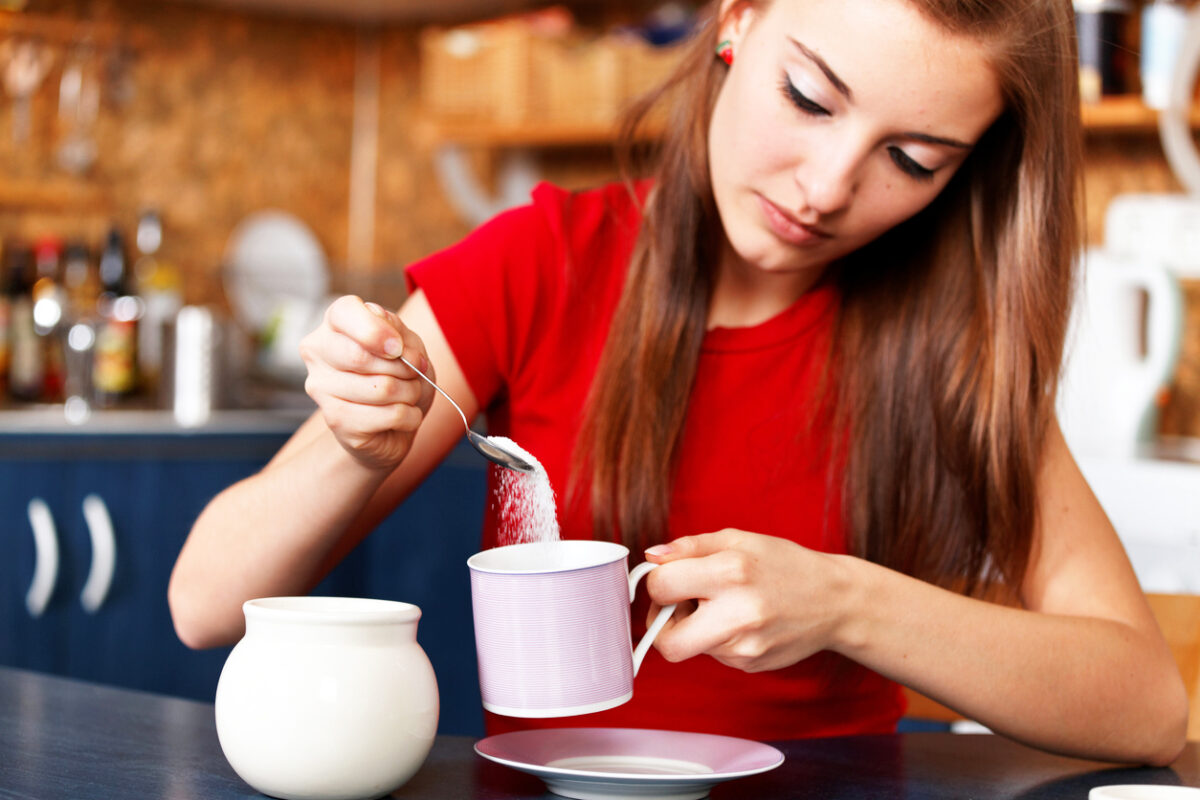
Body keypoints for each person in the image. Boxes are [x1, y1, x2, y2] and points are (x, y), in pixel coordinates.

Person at [169, 0, 1188, 765]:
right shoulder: (543, 265)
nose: (829, 186)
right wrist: (355, 445)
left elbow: (1150, 701)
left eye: (912, 159)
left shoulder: (951, 348)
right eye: (809, 97)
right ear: (737, 17)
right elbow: (206, 601)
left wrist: (843, 602)